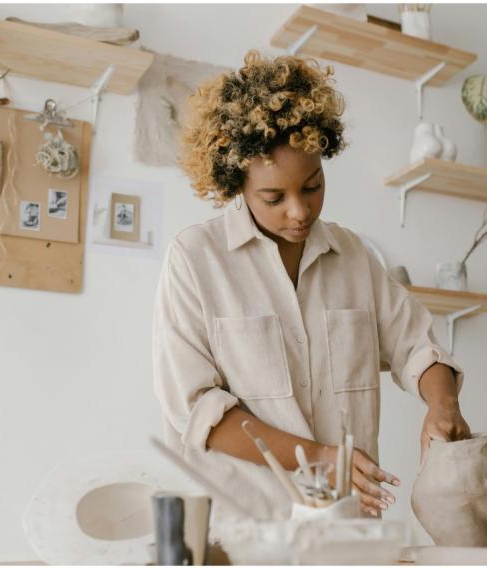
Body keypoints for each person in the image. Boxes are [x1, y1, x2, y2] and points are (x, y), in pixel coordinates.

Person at [153, 50, 470, 521]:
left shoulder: (353, 257)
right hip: (246, 533)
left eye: (313, 185)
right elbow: (200, 415)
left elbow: (416, 346)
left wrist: (442, 404)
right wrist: (321, 458)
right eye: (274, 197)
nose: (299, 211)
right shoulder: (195, 261)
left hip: (348, 531)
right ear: (235, 183)